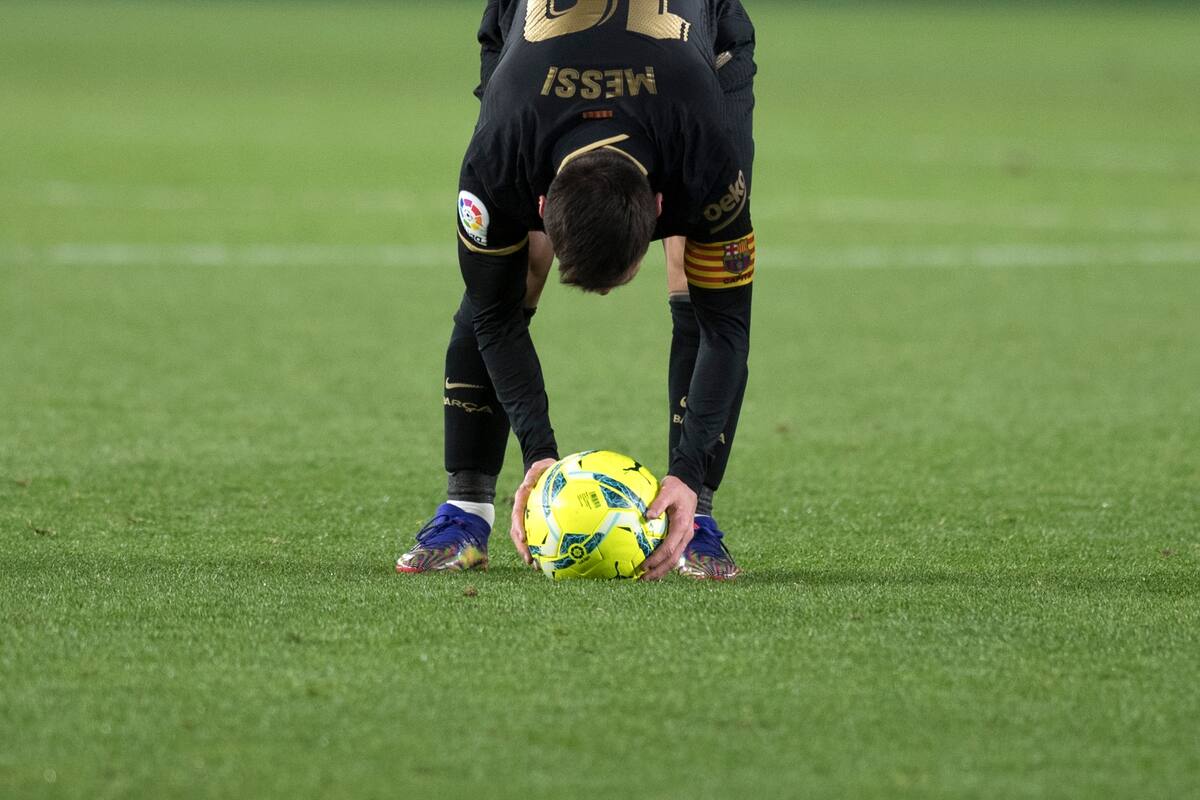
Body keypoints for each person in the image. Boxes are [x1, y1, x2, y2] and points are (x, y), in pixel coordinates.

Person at [397, 0, 756, 580]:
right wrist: (539, 452)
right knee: (508, 280)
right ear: (539, 203)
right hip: (528, 56)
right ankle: (464, 510)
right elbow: (492, 314)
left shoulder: (708, 162)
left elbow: (727, 326)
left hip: (702, 56)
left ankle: (696, 519)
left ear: (663, 204)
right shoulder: (498, 158)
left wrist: (687, 470)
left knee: (692, 268)